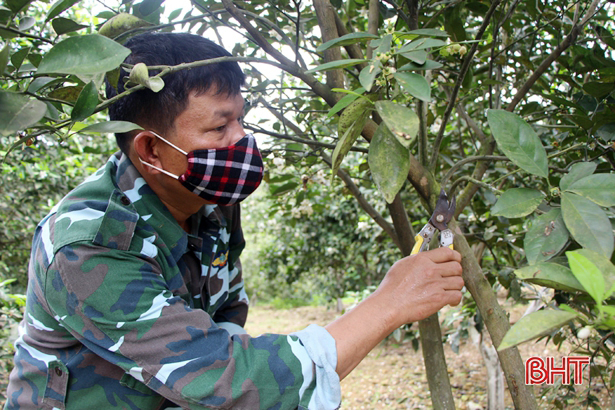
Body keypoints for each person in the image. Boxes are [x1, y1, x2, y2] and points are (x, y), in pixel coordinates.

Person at [4, 32, 464, 409]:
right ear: (150, 150)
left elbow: (224, 315)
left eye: (241, 121)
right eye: (218, 128)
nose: (241, 140)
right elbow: (225, 377)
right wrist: (389, 304)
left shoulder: (210, 200)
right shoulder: (88, 245)